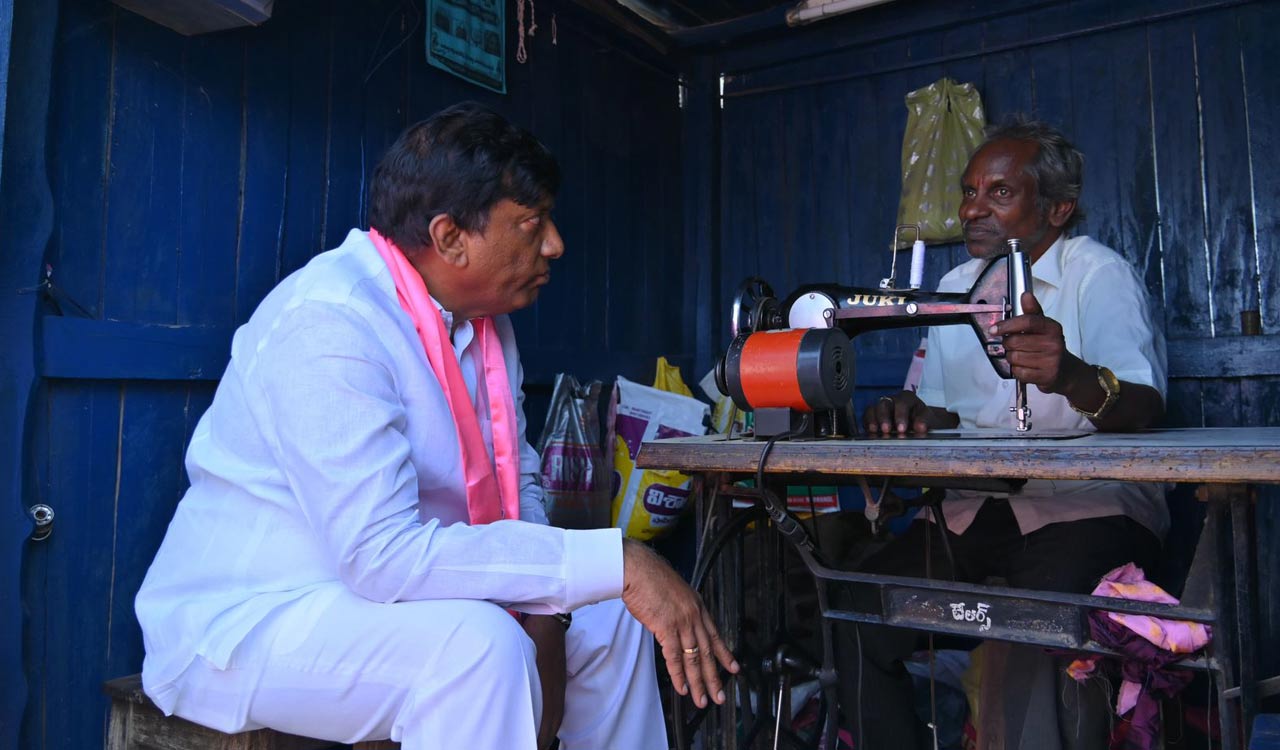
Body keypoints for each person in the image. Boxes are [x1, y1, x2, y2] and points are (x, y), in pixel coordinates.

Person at [135, 102, 737, 750]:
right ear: (451, 238)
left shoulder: (482, 322)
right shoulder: (331, 322)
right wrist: (613, 560)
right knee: (480, 651)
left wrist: (552, 611)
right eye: (532, 223)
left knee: (608, 616)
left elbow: (520, 481)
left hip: (382, 606)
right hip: (251, 621)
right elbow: (382, 557)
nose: (555, 244)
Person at [836, 118, 1167, 749]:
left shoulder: (1098, 275)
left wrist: (1070, 375)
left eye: (999, 193)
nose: (971, 209)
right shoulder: (956, 288)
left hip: (1083, 510)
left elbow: (1145, 407)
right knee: (855, 612)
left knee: (1034, 630)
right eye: (968, 192)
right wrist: (910, 413)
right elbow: (942, 411)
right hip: (971, 511)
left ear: (1058, 208)